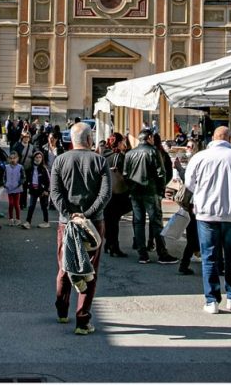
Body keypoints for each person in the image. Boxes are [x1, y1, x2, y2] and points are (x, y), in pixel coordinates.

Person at [184, 125, 231, 314]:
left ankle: (211, 300)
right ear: (229, 139)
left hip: (206, 213)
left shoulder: (199, 157)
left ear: (213, 138)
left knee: (209, 256)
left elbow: (189, 184)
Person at [50, 122, 111, 335]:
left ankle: (62, 311)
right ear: (89, 140)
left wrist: (69, 214)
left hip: (66, 223)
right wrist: (87, 214)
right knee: (89, 270)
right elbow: (105, 194)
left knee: (65, 265)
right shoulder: (99, 161)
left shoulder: (60, 160)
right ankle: (83, 321)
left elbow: (55, 194)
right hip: (93, 223)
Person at [122, 129, 176, 265]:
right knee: (156, 222)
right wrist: (160, 191)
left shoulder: (130, 153)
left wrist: (130, 187)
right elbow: (161, 173)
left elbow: (125, 174)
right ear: (150, 138)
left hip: (135, 192)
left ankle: (142, 254)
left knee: (138, 222)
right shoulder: (153, 151)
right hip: (150, 191)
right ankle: (162, 253)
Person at [101, 133, 130, 257]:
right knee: (114, 220)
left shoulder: (102, 155)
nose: (124, 144)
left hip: (104, 191)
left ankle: (108, 243)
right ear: (118, 143)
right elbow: (125, 174)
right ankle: (114, 246)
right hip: (117, 192)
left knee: (108, 219)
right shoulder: (119, 156)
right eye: (123, 142)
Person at [21, 151, 51, 229]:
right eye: (36, 157)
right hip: (33, 190)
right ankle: (28, 222)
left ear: (42, 159)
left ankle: (46, 222)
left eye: (40, 157)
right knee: (31, 206)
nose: (38, 159)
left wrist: (46, 191)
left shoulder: (44, 169)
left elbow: (48, 181)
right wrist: (28, 186)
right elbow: (27, 179)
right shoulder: (30, 168)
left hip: (42, 190)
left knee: (44, 206)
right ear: (33, 158)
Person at [3, 153, 25, 225]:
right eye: (11, 158)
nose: (13, 160)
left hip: (17, 187)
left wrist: (20, 183)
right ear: (9, 159)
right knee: (11, 203)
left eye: (14, 158)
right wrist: (4, 184)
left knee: (16, 204)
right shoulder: (6, 167)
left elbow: (23, 177)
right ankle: (11, 219)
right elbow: (4, 176)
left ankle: (18, 219)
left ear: (17, 158)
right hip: (9, 187)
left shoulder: (20, 167)